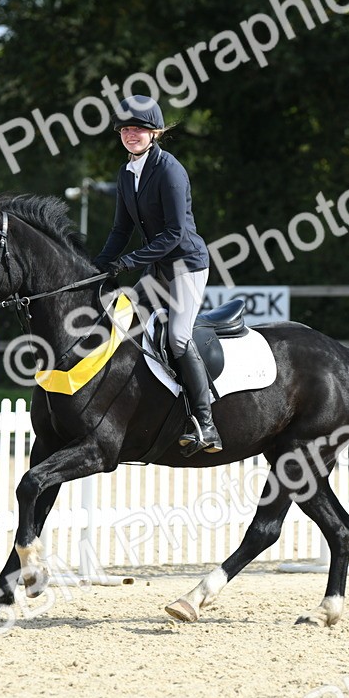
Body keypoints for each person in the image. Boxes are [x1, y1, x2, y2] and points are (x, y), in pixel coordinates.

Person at [92, 95, 222, 455]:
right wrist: (101, 264)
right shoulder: (126, 172)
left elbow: (174, 234)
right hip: (157, 267)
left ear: (155, 133)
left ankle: (206, 422)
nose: (131, 134)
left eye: (139, 128)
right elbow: (120, 229)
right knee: (124, 323)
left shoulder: (169, 170)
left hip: (186, 265)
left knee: (178, 337)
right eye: (126, 129)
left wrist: (128, 262)